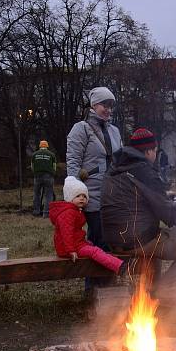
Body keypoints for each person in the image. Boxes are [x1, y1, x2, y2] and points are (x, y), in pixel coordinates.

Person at [101, 128, 176, 301]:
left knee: (155, 243)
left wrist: (163, 196)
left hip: (113, 240)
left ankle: (148, 298)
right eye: (155, 150)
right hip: (136, 240)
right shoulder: (144, 171)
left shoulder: (115, 168)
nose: (155, 154)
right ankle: (162, 294)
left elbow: (137, 199)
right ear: (147, 151)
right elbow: (169, 216)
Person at [66, 86, 121, 292]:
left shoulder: (114, 131)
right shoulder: (81, 129)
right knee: (98, 240)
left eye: (110, 105)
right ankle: (94, 290)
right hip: (92, 195)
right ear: (93, 105)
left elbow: (119, 161)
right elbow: (72, 162)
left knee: (111, 240)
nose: (108, 109)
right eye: (104, 104)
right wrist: (74, 194)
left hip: (113, 195)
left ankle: (107, 287)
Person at [49, 176, 125, 275]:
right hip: (69, 248)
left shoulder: (74, 211)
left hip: (75, 244)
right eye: (78, 196)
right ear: (69, 198)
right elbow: (66, 232)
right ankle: (119, 266)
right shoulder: (68, 213)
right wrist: (71, 250)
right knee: (95, 251)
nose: (82, 198)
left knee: (93, 247)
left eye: (84, 196)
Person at [31, 140, 57, 217]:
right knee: (48, 194)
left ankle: (36, 211)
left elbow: (32, 166)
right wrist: (53, 174)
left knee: (36, 194)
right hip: (48, 176)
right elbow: (54, 167)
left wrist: (35, 174)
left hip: (37, 176)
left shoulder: (34, 154)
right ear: (47, 146)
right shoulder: (51, 155)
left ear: (40, 146)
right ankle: (46, 213)